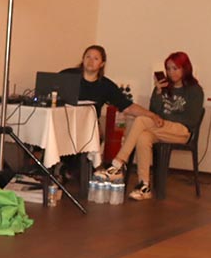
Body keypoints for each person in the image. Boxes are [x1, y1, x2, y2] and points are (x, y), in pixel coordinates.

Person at [94, 51, 204, 200]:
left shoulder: (195, 90)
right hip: (161, 128)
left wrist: (164, 119)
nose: (171, 72)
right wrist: (158, 92)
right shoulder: (163, 87)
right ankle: (144, 185)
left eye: (175, 68)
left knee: (142, 120)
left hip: (182, 131)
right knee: (143, 137)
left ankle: (118, 163)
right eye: (168, 68)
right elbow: (154, 111)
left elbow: (191, 119)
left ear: (185, 68)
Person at [61, 45, 155, 119]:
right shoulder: (67, 75)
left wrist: (152, 115)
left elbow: (127, 107)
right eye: (88, 57)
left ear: (102, 64)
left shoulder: (106, 85)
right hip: (64, 121)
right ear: (83, 59)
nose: (90, 61)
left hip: (89, 126)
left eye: (96, 59)